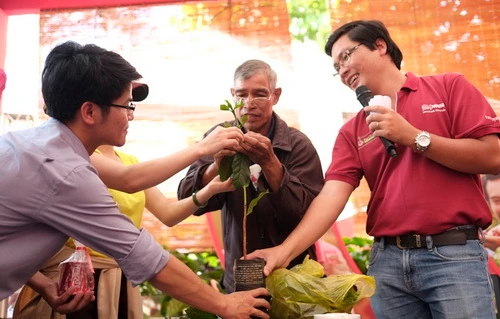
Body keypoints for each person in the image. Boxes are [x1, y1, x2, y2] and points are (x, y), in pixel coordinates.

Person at [247, 20, 500, 319]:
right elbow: (330, 198)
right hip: (387, 263)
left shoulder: (448, 87)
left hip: (454, 255)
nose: (342, 70)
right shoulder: (352, 131)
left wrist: (413, 137)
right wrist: (283, 252)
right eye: (336, 66)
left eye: (346, 56)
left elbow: (493, 155)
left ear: (380, 46)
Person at [0, 40, 270, 319]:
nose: (130, 115)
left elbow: (129, 179)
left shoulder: (36, 145)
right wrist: (224, 304)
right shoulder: (67, 173)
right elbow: (144, 256)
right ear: (90, 112)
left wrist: (43, 283)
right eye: (126, 105)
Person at [14, 143, 236, 318]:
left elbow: (168, 213)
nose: (129, 115)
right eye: (124, 105)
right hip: (78, 278)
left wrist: (208, 190)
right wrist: (202, 147)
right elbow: (128, 178)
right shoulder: (80, 156)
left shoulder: (129, 162)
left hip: (120, 278)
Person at [177, 59, 324, 292]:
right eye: (241, 94)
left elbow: (309, 214)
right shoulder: (219, 136)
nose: (249, 103)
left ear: (276, 96)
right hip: (241, 279)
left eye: (260, 94)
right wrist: (215, 167)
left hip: (294, 277)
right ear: (232, 95)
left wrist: (270, 163)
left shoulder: (297, 145)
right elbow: (187, 201)